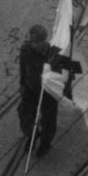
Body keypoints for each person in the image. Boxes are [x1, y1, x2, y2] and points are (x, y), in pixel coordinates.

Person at [18, 24, 58, 157]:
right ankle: (33, 134)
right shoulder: (26, 50)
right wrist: (23, 85)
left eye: (36, 41)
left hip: (48, 92)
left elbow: (62, 75)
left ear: (43, 41)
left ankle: (45, 144)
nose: (33, 44)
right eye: (32, 40)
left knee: (49, 120)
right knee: (24, 114)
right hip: (30, 88)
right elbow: (23, 69)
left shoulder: (53, 54)